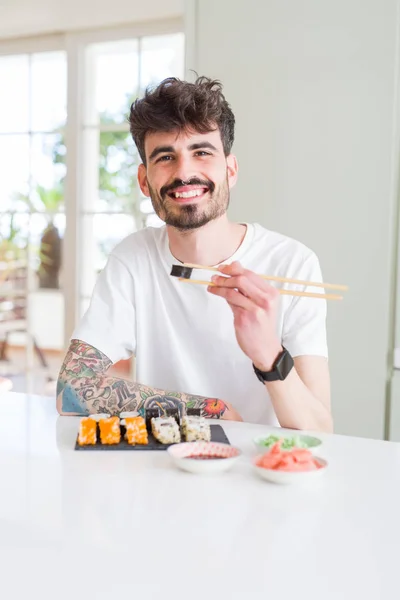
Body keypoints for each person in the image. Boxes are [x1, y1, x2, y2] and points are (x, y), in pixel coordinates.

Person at [57, 76, 332, 431]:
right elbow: (72, 388)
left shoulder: (294, 263)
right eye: (166, 157)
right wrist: (211, 409)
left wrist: (269, 356)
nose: (184, 172)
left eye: (201, 152)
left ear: (230, 170)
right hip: (163, 466)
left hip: (258, 472)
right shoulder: (133, 258)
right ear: (145, 181)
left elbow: (320, 432)